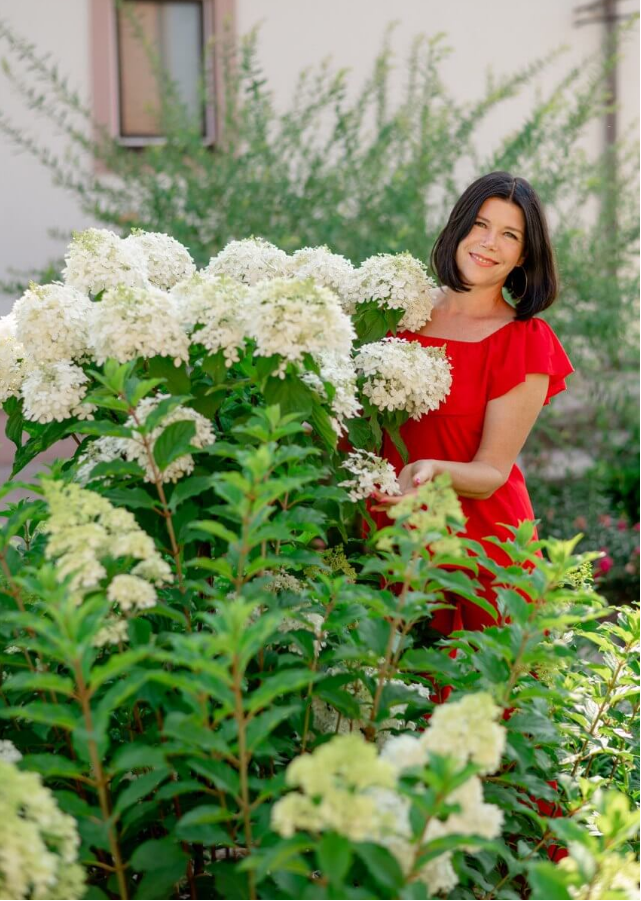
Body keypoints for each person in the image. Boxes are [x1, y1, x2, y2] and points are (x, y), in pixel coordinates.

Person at [370, 171, 574, 635]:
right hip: (386, 538)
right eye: (480, 224)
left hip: (480, 556)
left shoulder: (523, 341)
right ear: (459, 226)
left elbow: (491, 473)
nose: (488, 243)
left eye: (509, 235)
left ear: (524, 255)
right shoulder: (394, 314)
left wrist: (425, 470)